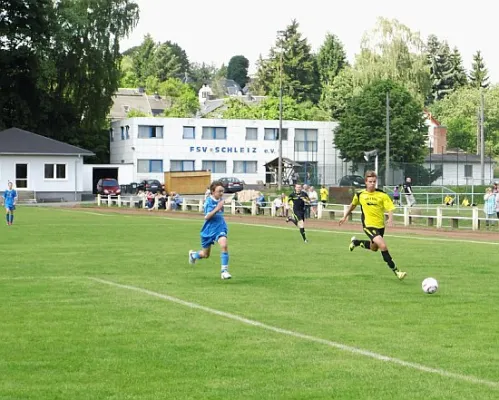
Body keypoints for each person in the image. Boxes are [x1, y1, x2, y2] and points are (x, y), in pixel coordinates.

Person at [338, 171, 407, 280]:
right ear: (365, 182)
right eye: (370, 181)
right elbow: (353, 205)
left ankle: (356, 242)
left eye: (374, 181)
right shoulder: (360, 194)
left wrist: (390, 218)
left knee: (374, 248)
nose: (372, 184)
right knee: (383, 246)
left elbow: (389, 208)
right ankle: (397, 271)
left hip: (380, 226)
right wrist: (344, 216)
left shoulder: (382, 194)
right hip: (368, 225)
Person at [188, 181, 232, 280]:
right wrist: (217, 208)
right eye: (219, 191)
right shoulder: (208, 201)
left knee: (224, 245)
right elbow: (207, 217)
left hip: (220, 227)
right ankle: (193, 255)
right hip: (208, 230)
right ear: (213, 191)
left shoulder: (220, 200)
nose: (221, 193)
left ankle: (224, 271)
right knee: (205, 254)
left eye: (222, 191)